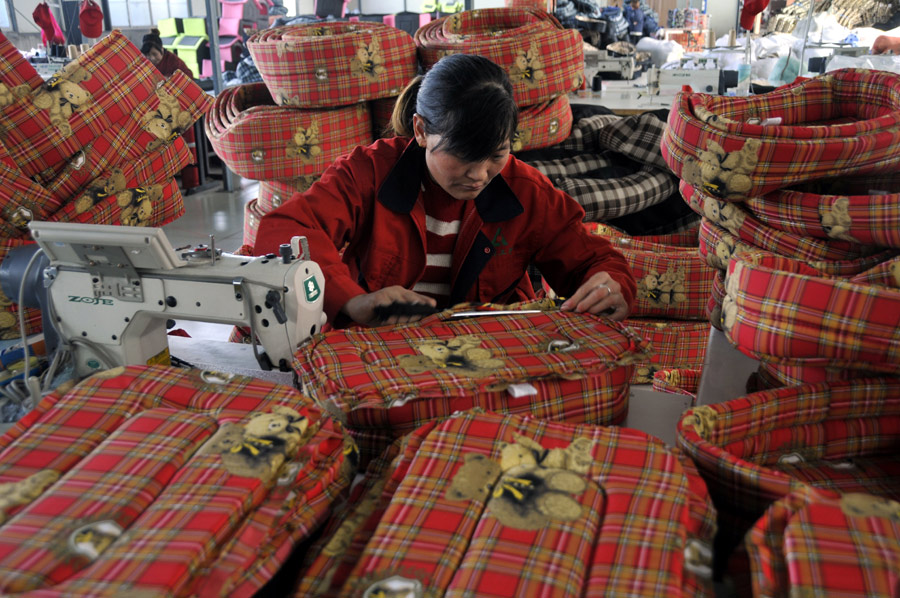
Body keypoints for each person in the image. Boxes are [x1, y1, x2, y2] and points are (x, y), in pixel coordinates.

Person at [253, 54, 636, 328]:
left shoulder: (526, 192)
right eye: (462, 156)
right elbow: (286, 227)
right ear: (420, 131)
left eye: (496, 155)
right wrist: (351, 299)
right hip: (386, 347)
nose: (479, 174)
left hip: (491, 353)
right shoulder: (370, 172)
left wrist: (609, 284)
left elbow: (594, 261)